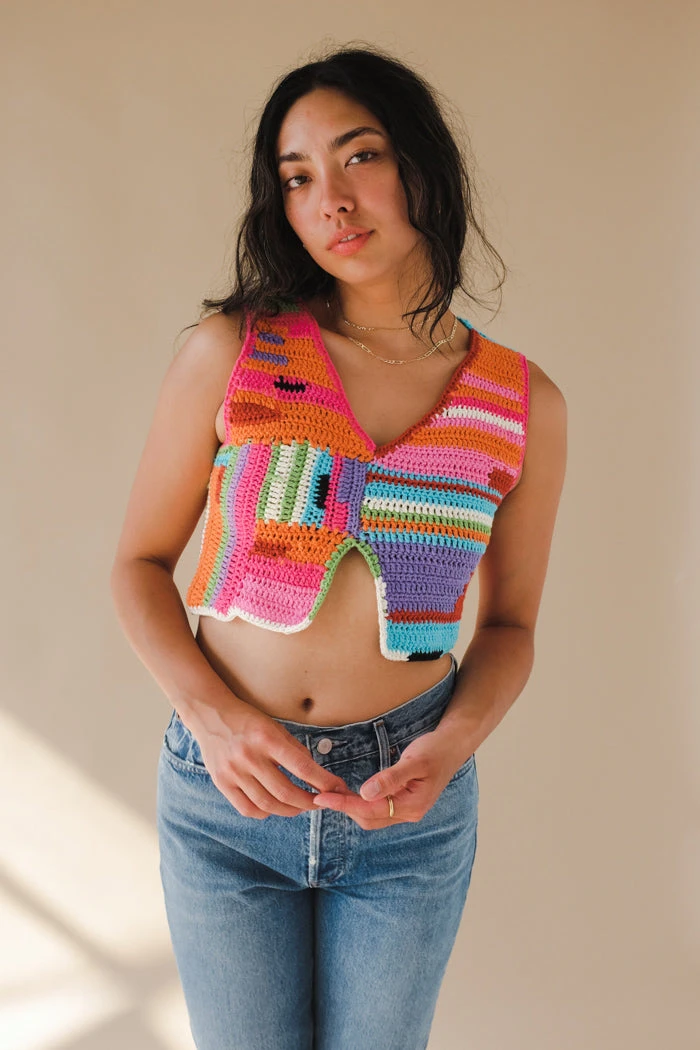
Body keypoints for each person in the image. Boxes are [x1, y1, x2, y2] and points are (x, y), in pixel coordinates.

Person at [110, 43, 567, 1050]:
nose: (332, 201)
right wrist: (214, 721)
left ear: (421, 163)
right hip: (226, 796)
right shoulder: (234, 350)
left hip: (406, 810)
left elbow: (511, 626)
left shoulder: (521, 401)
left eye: (359, 156)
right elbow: (137, 565)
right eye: (297, 177)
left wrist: (452, 745)